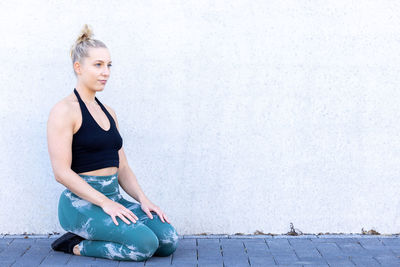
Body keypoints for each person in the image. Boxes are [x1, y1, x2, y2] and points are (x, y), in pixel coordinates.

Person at [46, 24, 179, 262]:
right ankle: (76, 245)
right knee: (144, 244)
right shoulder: (64, 111)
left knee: (168, 240)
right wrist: (105, 204)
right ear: (78, 68)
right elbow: (61, 173)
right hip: (81, 205)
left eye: (108, 65)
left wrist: (143, 199)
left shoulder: (109, 112)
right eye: (98, 65)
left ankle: (105, 234)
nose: (105, 72)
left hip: (112, 198)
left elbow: (123, 167)